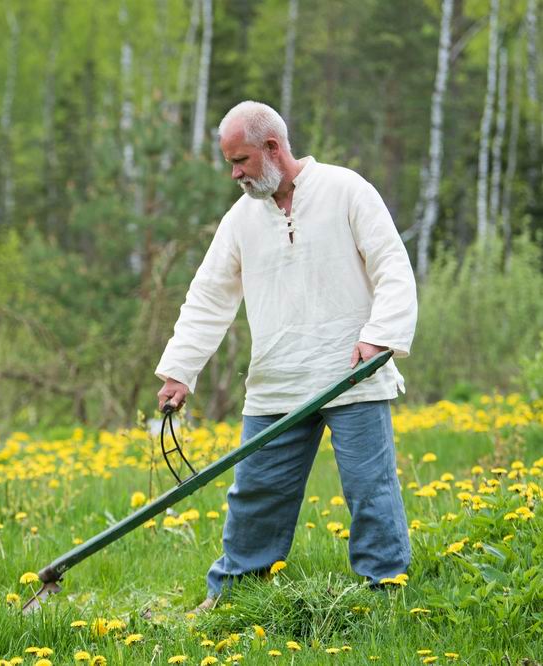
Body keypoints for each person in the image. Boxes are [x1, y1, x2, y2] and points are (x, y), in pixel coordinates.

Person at [154, 100, 418, 612]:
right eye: (231, 163)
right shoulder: (240, 220)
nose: (234, 174)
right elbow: (208, 297)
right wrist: (179, 372)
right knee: (256, 494)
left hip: (353, 373)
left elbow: (392, 266)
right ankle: (235, 594)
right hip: (278, 380)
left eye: (241, 161)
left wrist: (379, 337)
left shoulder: (345, 190)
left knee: (370, 490)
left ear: (273, 147)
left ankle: (385, 591)